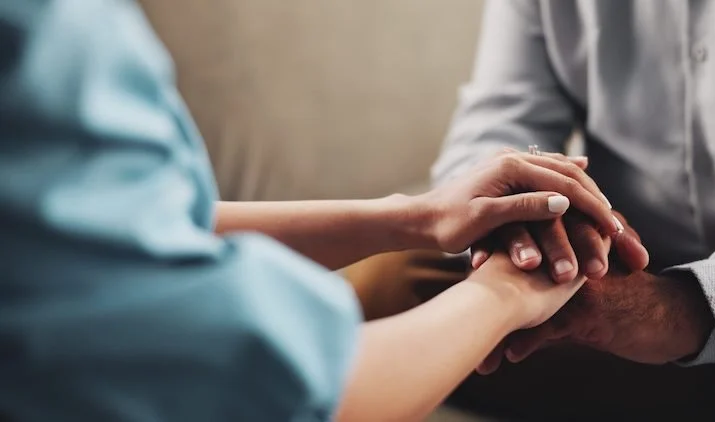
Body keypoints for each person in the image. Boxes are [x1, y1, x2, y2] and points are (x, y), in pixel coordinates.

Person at [0, 1, 641, 421]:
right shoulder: (44, 34)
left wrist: (412, 217)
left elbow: (118, 230)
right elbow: (305, 387)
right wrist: (506, 293)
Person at [346, 0, 715, 420]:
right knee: (382, 287)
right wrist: (529, 220)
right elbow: (503, 112)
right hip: (612, 285)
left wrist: (689, 307)